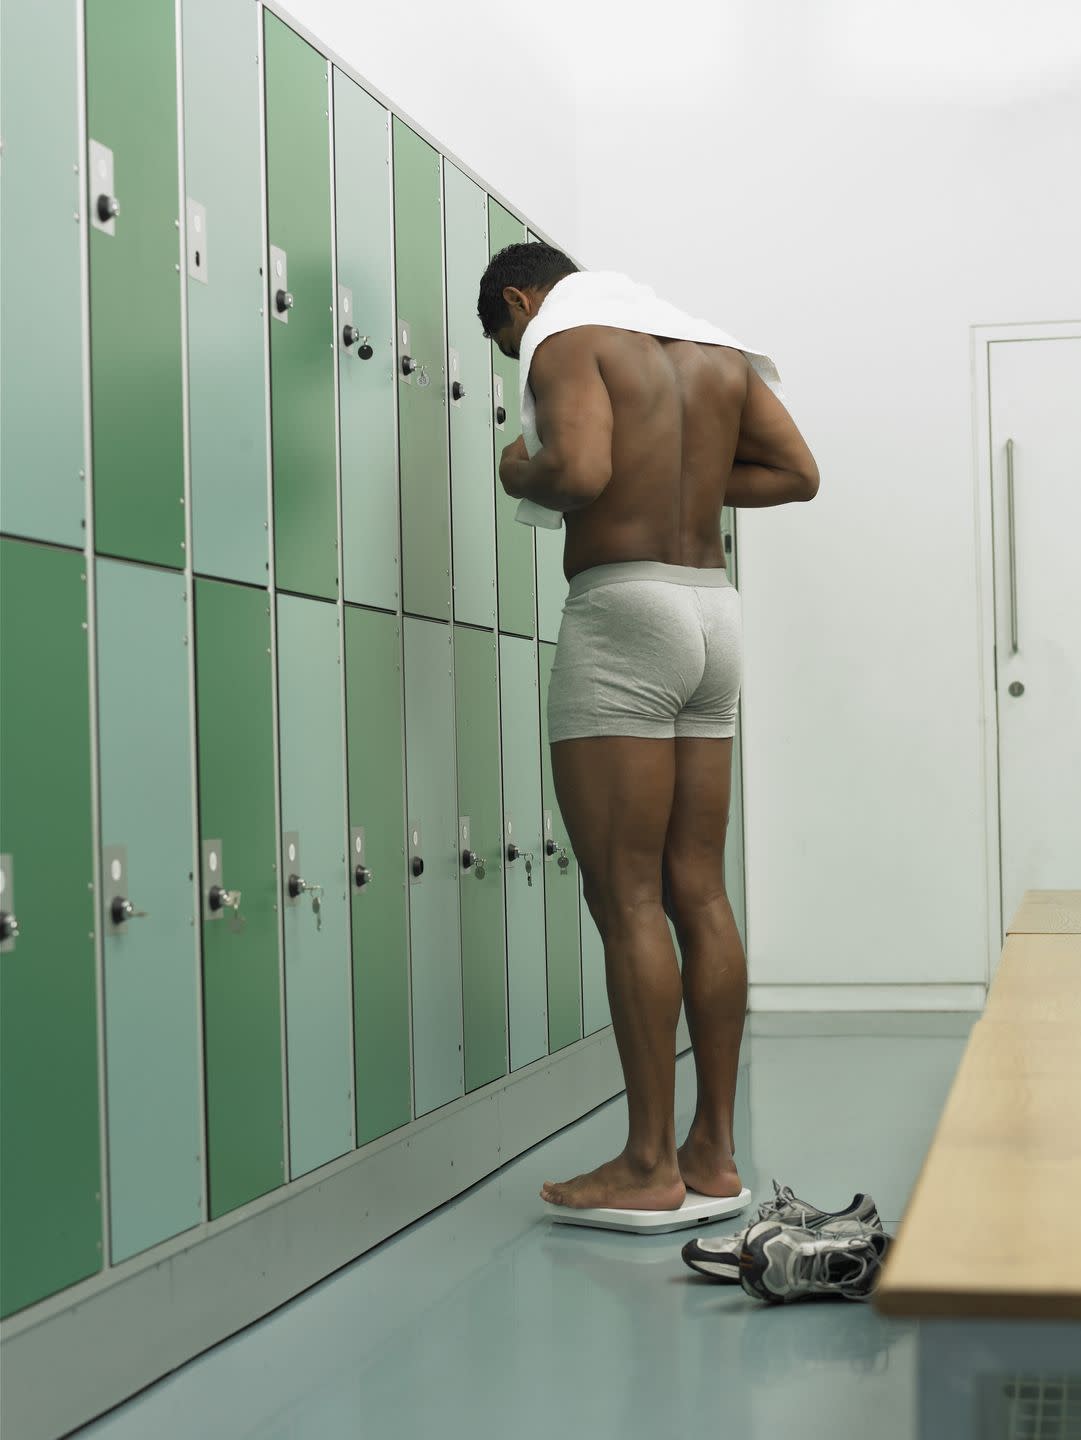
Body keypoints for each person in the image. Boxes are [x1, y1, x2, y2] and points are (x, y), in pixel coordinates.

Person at [476, 245, 820, 1212]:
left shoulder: (564, 338)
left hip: (626, 612)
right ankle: (711, 1153)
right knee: (698, 890)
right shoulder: (712, 352)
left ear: (518, 300)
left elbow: (578, 471)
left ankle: (644, 1165)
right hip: (714, 612)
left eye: (508, 339)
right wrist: (688, 483)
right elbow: (797, 474)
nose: (518, 355)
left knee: (625, 894)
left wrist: (517, 468)